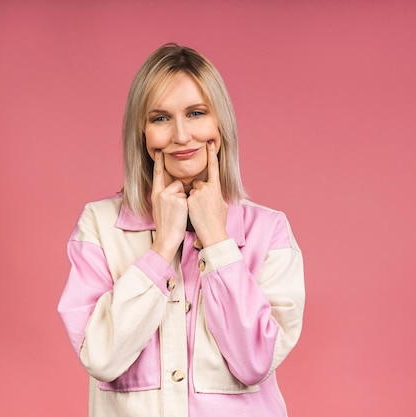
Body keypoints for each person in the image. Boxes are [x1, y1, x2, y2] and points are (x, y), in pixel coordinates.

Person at [58, 43, 305, 417]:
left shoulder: (269, 231)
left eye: (196, 113)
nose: (181, 135)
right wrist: (162, 249)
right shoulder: (99, 226)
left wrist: (217, 241)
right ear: (140, 133)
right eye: (160, 118)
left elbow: (255, 361)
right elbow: (101, 356)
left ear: (219, 125)